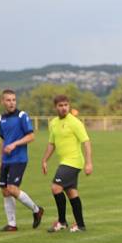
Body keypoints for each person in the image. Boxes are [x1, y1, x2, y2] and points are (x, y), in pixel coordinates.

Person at [40, 95, 93, 232]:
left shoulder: (75, 122)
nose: (64, 108)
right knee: (71, 192)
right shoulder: (53, 123)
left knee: (56, 187)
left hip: (74, 162)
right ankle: (80, 225)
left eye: (66, 105)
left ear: (69, 106)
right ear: (55, 107)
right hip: (64, 161)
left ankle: (62, 222)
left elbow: (86, 142)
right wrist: (45, 160)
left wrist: (89, 163)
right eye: (60, 105)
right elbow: (52, 143)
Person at [0, 89, 44, 231]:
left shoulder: (22, 115)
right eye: (8, 100)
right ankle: (12, 224)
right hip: (6, 160)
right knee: (5, 191)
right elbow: (3, 140)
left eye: (13, 100)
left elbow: (31, 136)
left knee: (12, 188)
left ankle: (37, 210)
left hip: (19, 159)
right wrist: (1, 160)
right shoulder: (1, 118)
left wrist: (15, 144)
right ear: (3, 101)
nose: (11, 103)